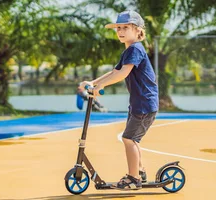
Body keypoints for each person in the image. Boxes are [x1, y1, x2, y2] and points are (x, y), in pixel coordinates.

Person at [78, 10, 158, 190]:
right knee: (132, 139)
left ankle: (133, 179)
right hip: (140, 104)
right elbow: (115, 72)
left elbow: (123, 73)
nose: (120, 31)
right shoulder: (129, 50)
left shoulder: (135, 49)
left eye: (125, 28)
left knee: (128, 139)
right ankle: (139, 172)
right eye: (118, 28)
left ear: (138, 31)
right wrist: (94, 82)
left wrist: (101, 87)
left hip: (144, 104)